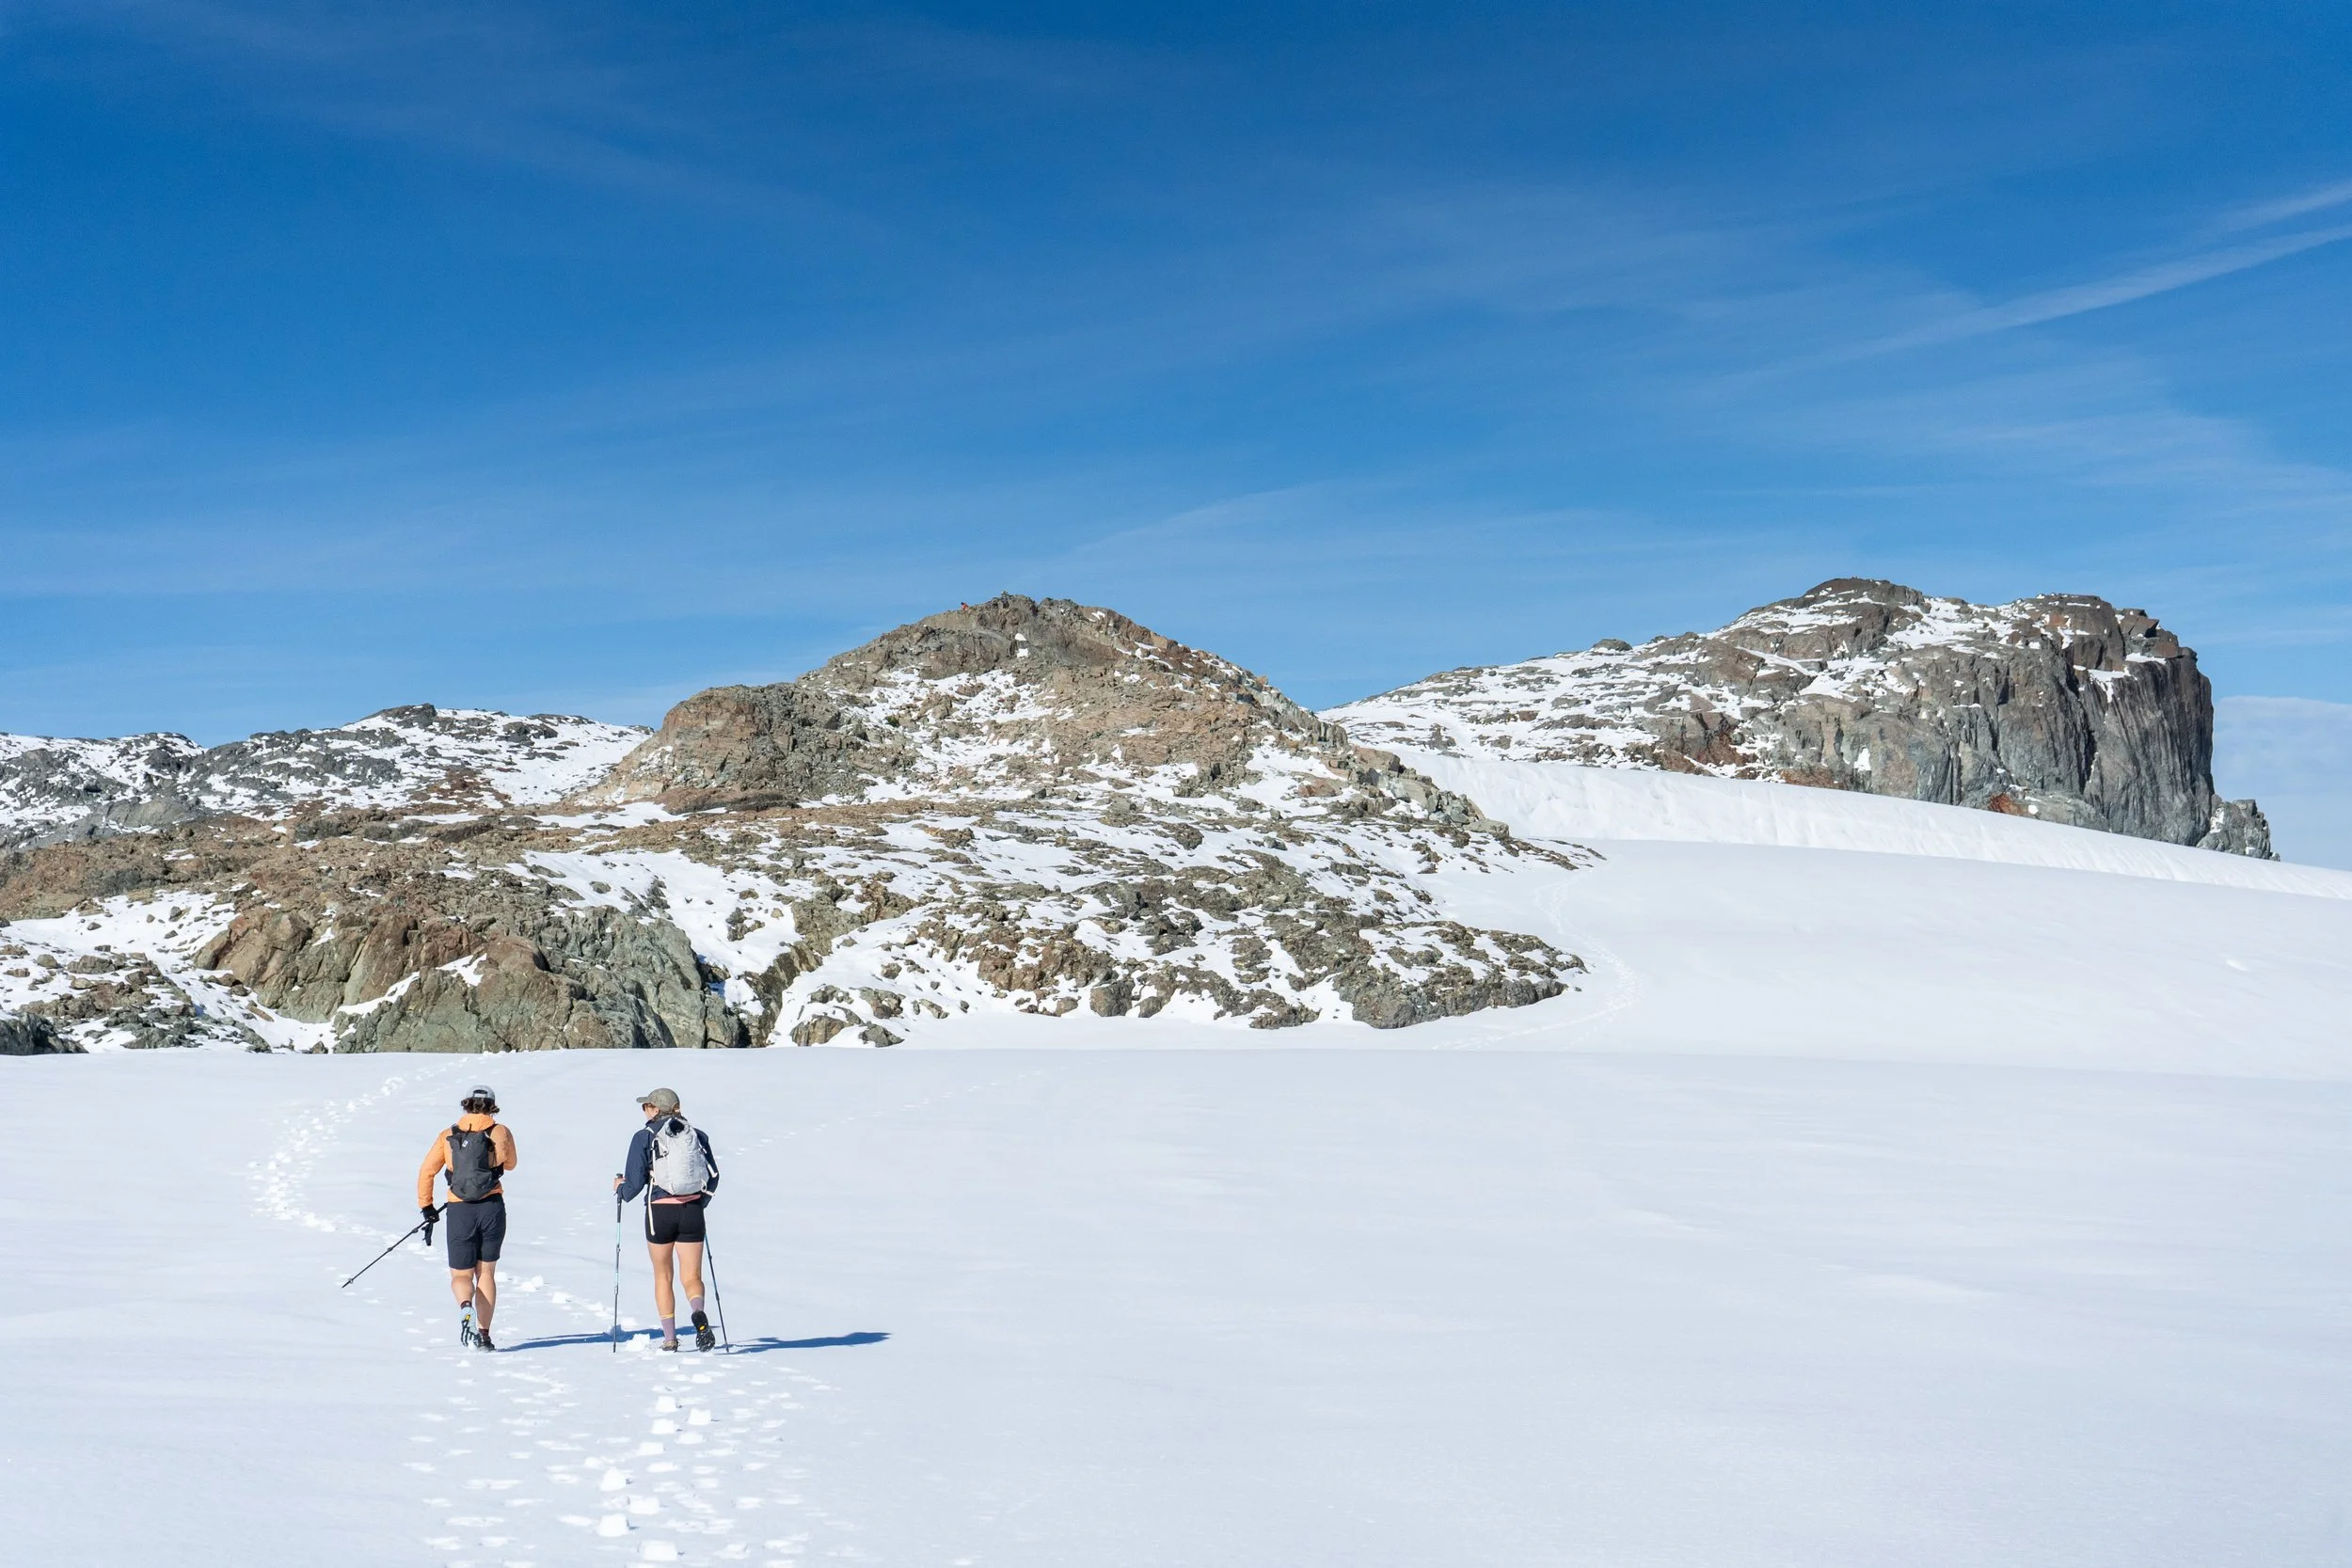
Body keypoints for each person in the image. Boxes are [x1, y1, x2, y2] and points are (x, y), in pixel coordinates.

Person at [615, 1087, 721, 1352]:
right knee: (692, 1276)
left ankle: (670, 1339)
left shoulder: (644, 1137)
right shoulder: (696, 1135)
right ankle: (698, 1312)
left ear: (654, 1109)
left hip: (659, 1212)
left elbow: (635, 1183)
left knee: (663, 1275)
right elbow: (714, 1175)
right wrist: (700, 1202)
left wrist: (620, 1188)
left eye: (646, 1106)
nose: (644, 1111)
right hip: (692, 1210)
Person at [416, 1085, 517, 1352]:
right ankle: (484, 1335)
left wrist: (427, 1206)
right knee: (486, 1273)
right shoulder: (500, 1131)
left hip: (459, 1210)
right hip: (491, 1208)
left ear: (467, 1104)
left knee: (461, 1275)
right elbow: (511, 1164)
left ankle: (465, 1307)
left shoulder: (448, 1134)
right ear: (492, 1106)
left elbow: (427, 1171)